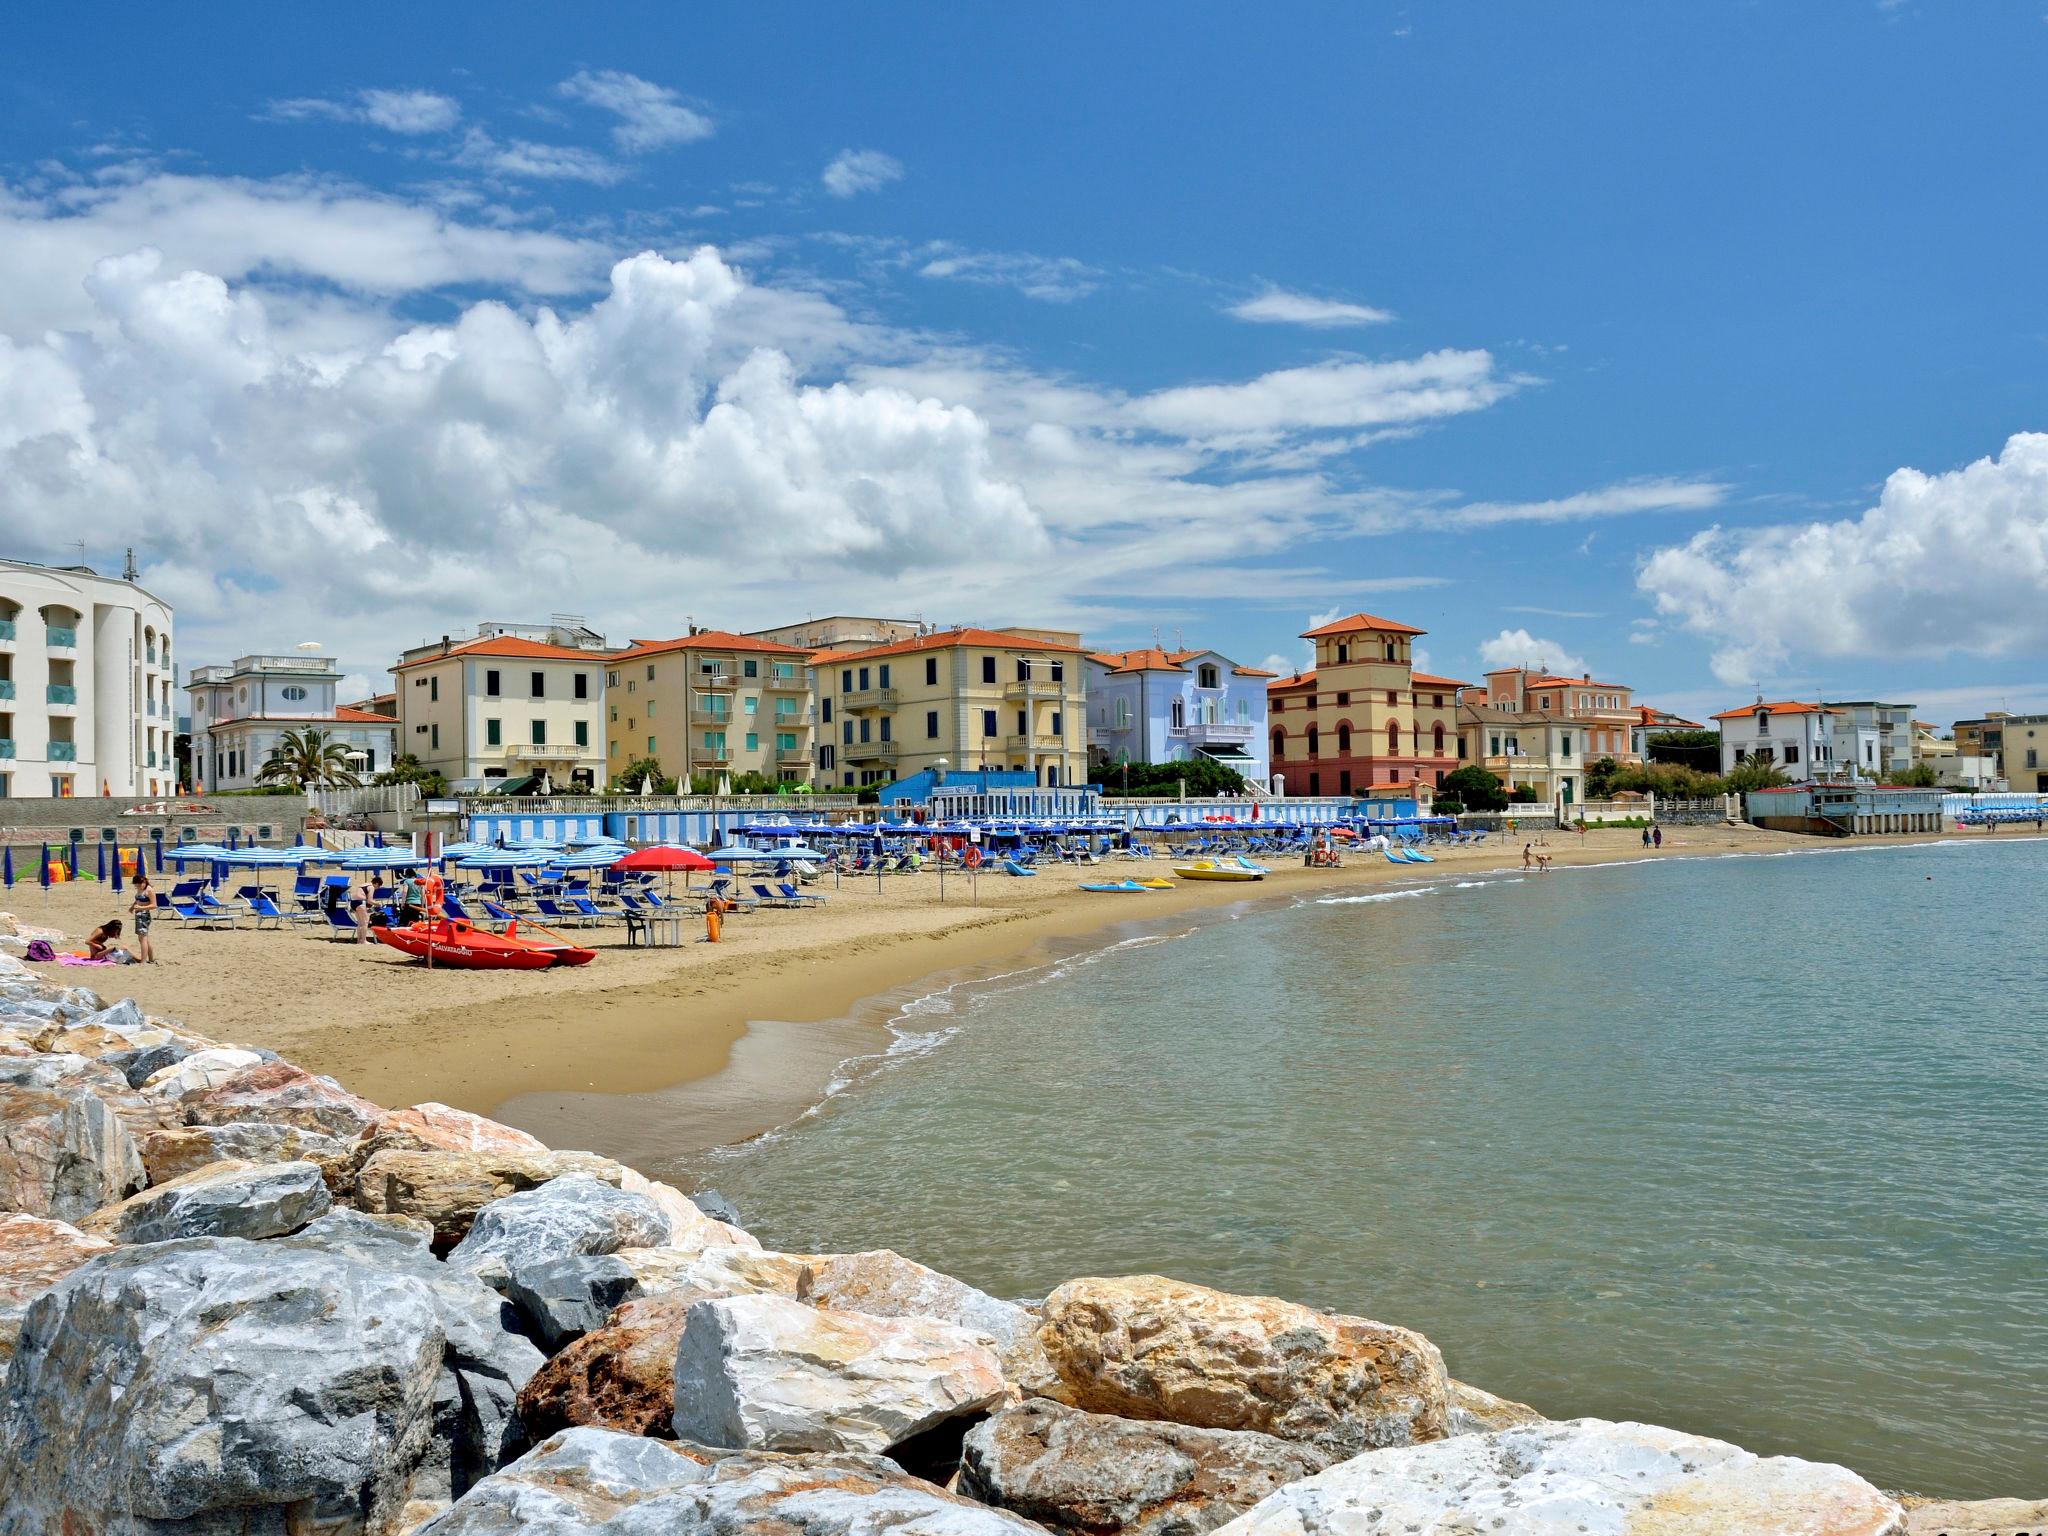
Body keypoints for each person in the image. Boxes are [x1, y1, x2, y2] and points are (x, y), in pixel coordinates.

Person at [128, 872, 156, 964]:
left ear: (144, 882)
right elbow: (138, 899)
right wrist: (132, 906)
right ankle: (151, 959)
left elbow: (153, 905)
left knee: (142, 939)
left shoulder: (149, 890)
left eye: (139, 885)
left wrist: (141, 908)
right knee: (144, 938)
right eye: (136, 885)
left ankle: (143, 961)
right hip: (138, 914)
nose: (138, 887)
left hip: (144, 915)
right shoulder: (140, 889)